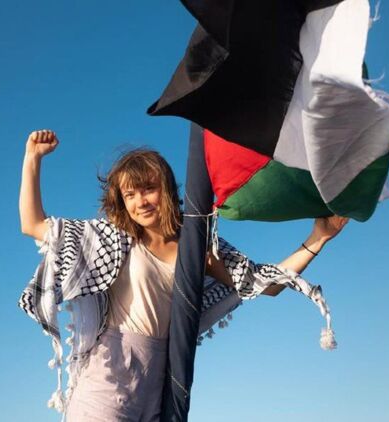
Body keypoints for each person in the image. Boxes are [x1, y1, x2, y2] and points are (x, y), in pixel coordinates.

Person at [19, 129, 348, 421]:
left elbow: (265, 284)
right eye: (129, 195)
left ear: (165, 188)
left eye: (148, 189)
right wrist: (33, 158)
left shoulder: (198, 245)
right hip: (109, 375)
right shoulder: (115, 238)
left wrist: (318, 238)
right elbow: (33, 225)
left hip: (161, 381)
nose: (140, 202)